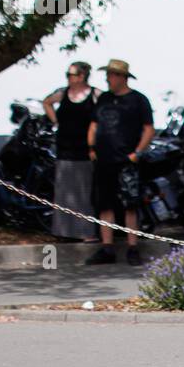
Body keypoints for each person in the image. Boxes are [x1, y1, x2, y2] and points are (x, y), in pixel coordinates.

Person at [85, 60, 154, 266]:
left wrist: (137, 152)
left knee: (129, 204)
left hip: (126, 159)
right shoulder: (104, 99)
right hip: (104, 159)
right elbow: (94, 124)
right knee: (104, 202)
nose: (108, 79)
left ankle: (133, 246)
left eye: (112, 75)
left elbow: (148, 128)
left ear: (122, 77)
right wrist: (91, 147)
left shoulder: (138, 100)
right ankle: (107, 247)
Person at [42, 62, 100, 241]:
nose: (68, 78)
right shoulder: (63, 93)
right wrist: (56, 122)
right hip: (65, 147)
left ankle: (86, 231)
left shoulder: (95, 94)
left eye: (71, 74)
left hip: (84, 149)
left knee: (84, 191)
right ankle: (64, 231)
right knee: (64, 189)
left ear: (82, 76)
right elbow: (47, 102)